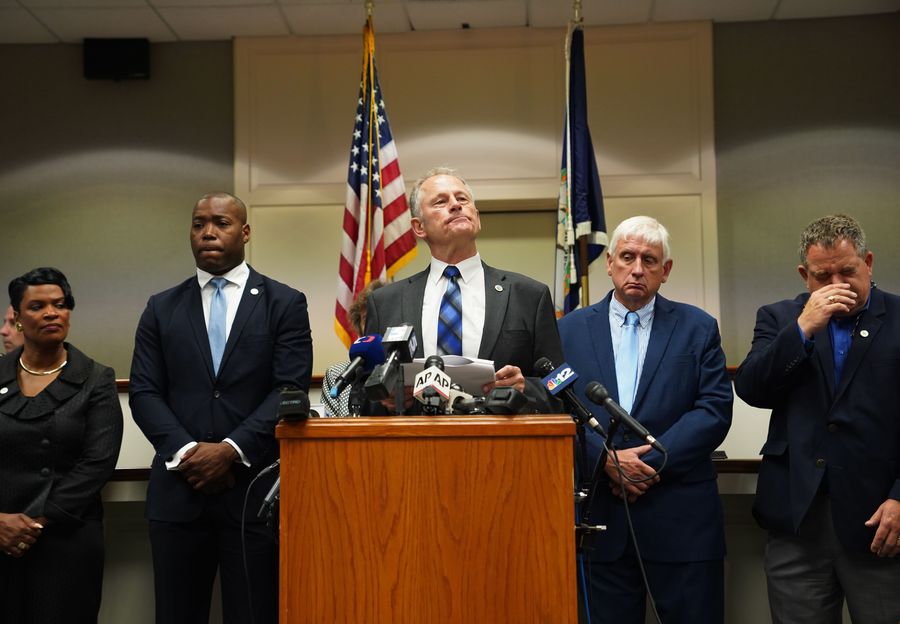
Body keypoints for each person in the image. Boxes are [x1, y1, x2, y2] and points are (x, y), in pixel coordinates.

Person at [129, 191, 313, 624]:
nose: (208, 232)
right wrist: (189, 453)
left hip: (253, 494)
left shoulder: (284, 302)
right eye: (199, 224)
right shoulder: (161, 307)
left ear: (245, 232)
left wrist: (230, 449)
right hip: (179, 493)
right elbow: (144, 391)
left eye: (221, 223)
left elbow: (288, 390)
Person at [557, 216, 733, 624]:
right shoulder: (568, 330)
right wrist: (605, 460)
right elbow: (557, 409)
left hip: (682, 522)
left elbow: (713, 410)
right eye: (627, 257)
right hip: (600, 524)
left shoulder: (698, 328)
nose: (637, 269)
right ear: (610, 263)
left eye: (649, 260)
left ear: (665, 270)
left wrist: (647, 463)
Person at [734, 214, 900, 623]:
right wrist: (803, 328)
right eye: (823, 276)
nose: (837, 284)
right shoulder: (778, 317)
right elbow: (752, 389)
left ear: (869, 263)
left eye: (848, 272)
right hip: (797, 519)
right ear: (804, 275)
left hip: (880, 518)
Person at [362, 167, 563, 412]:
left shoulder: (529, 296)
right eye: (440, 202)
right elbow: (363, 396)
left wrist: (526, 389)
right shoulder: (385, 302)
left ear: (477, 217)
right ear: (418, 227)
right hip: (416, 435)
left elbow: (560, 387)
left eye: (462, 199)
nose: (456, 205)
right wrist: (387, 399)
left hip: (501, 435)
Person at [0, 267, 123, 623]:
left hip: (66, 538)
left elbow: (97, 463)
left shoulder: (96, 378)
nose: (52, 313)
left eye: (60, 304)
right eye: (37, 306)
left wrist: (33, 523)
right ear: (18, 317)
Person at [322, 279, 384, 417]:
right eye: (367, 318)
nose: (374, 322)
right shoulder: (336, 375)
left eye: (380, 315)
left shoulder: (407, 372)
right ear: (359, 326)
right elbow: (329, 427)